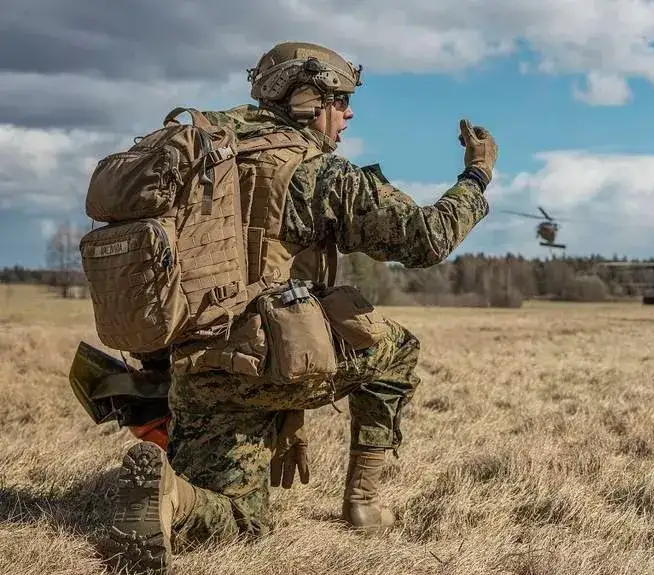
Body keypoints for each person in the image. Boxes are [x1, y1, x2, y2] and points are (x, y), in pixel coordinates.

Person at [106, 41, 498, 575]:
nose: (349, 113)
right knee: (398, 351)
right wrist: (476, 177)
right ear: (309, 100)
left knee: (241, 520)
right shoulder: (316, 172)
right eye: (342, 101)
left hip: (191, 366)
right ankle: (364, 503)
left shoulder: (201, 154)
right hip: (272, 363)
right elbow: (425, 239)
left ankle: (174, 498)